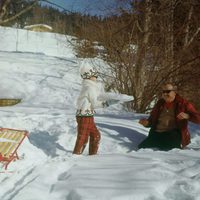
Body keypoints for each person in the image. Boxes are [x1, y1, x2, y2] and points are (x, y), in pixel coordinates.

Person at [138, 83, 200, 150]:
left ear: (174, 92)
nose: (165, 94)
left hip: (173, 134)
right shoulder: (159, 103)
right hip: (157, 133)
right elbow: (151, 120)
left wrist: (187, 116)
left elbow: (198, 118)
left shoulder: (183, 103)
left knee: (167, 150)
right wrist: (146, 123)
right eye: (163, 92)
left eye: (168, 91)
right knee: (142, 148)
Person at [73, 63, 113, 155]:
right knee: (83, 138)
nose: (96, 77)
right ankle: (75, 156)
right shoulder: (89, 87)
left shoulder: (90, 87)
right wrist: (108, 103)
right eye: (95, 75)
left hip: (87, 115)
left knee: (96, 135)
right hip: (84, 116)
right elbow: (95, 103)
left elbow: (96, 98)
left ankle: (92, 157)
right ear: (89, 76)